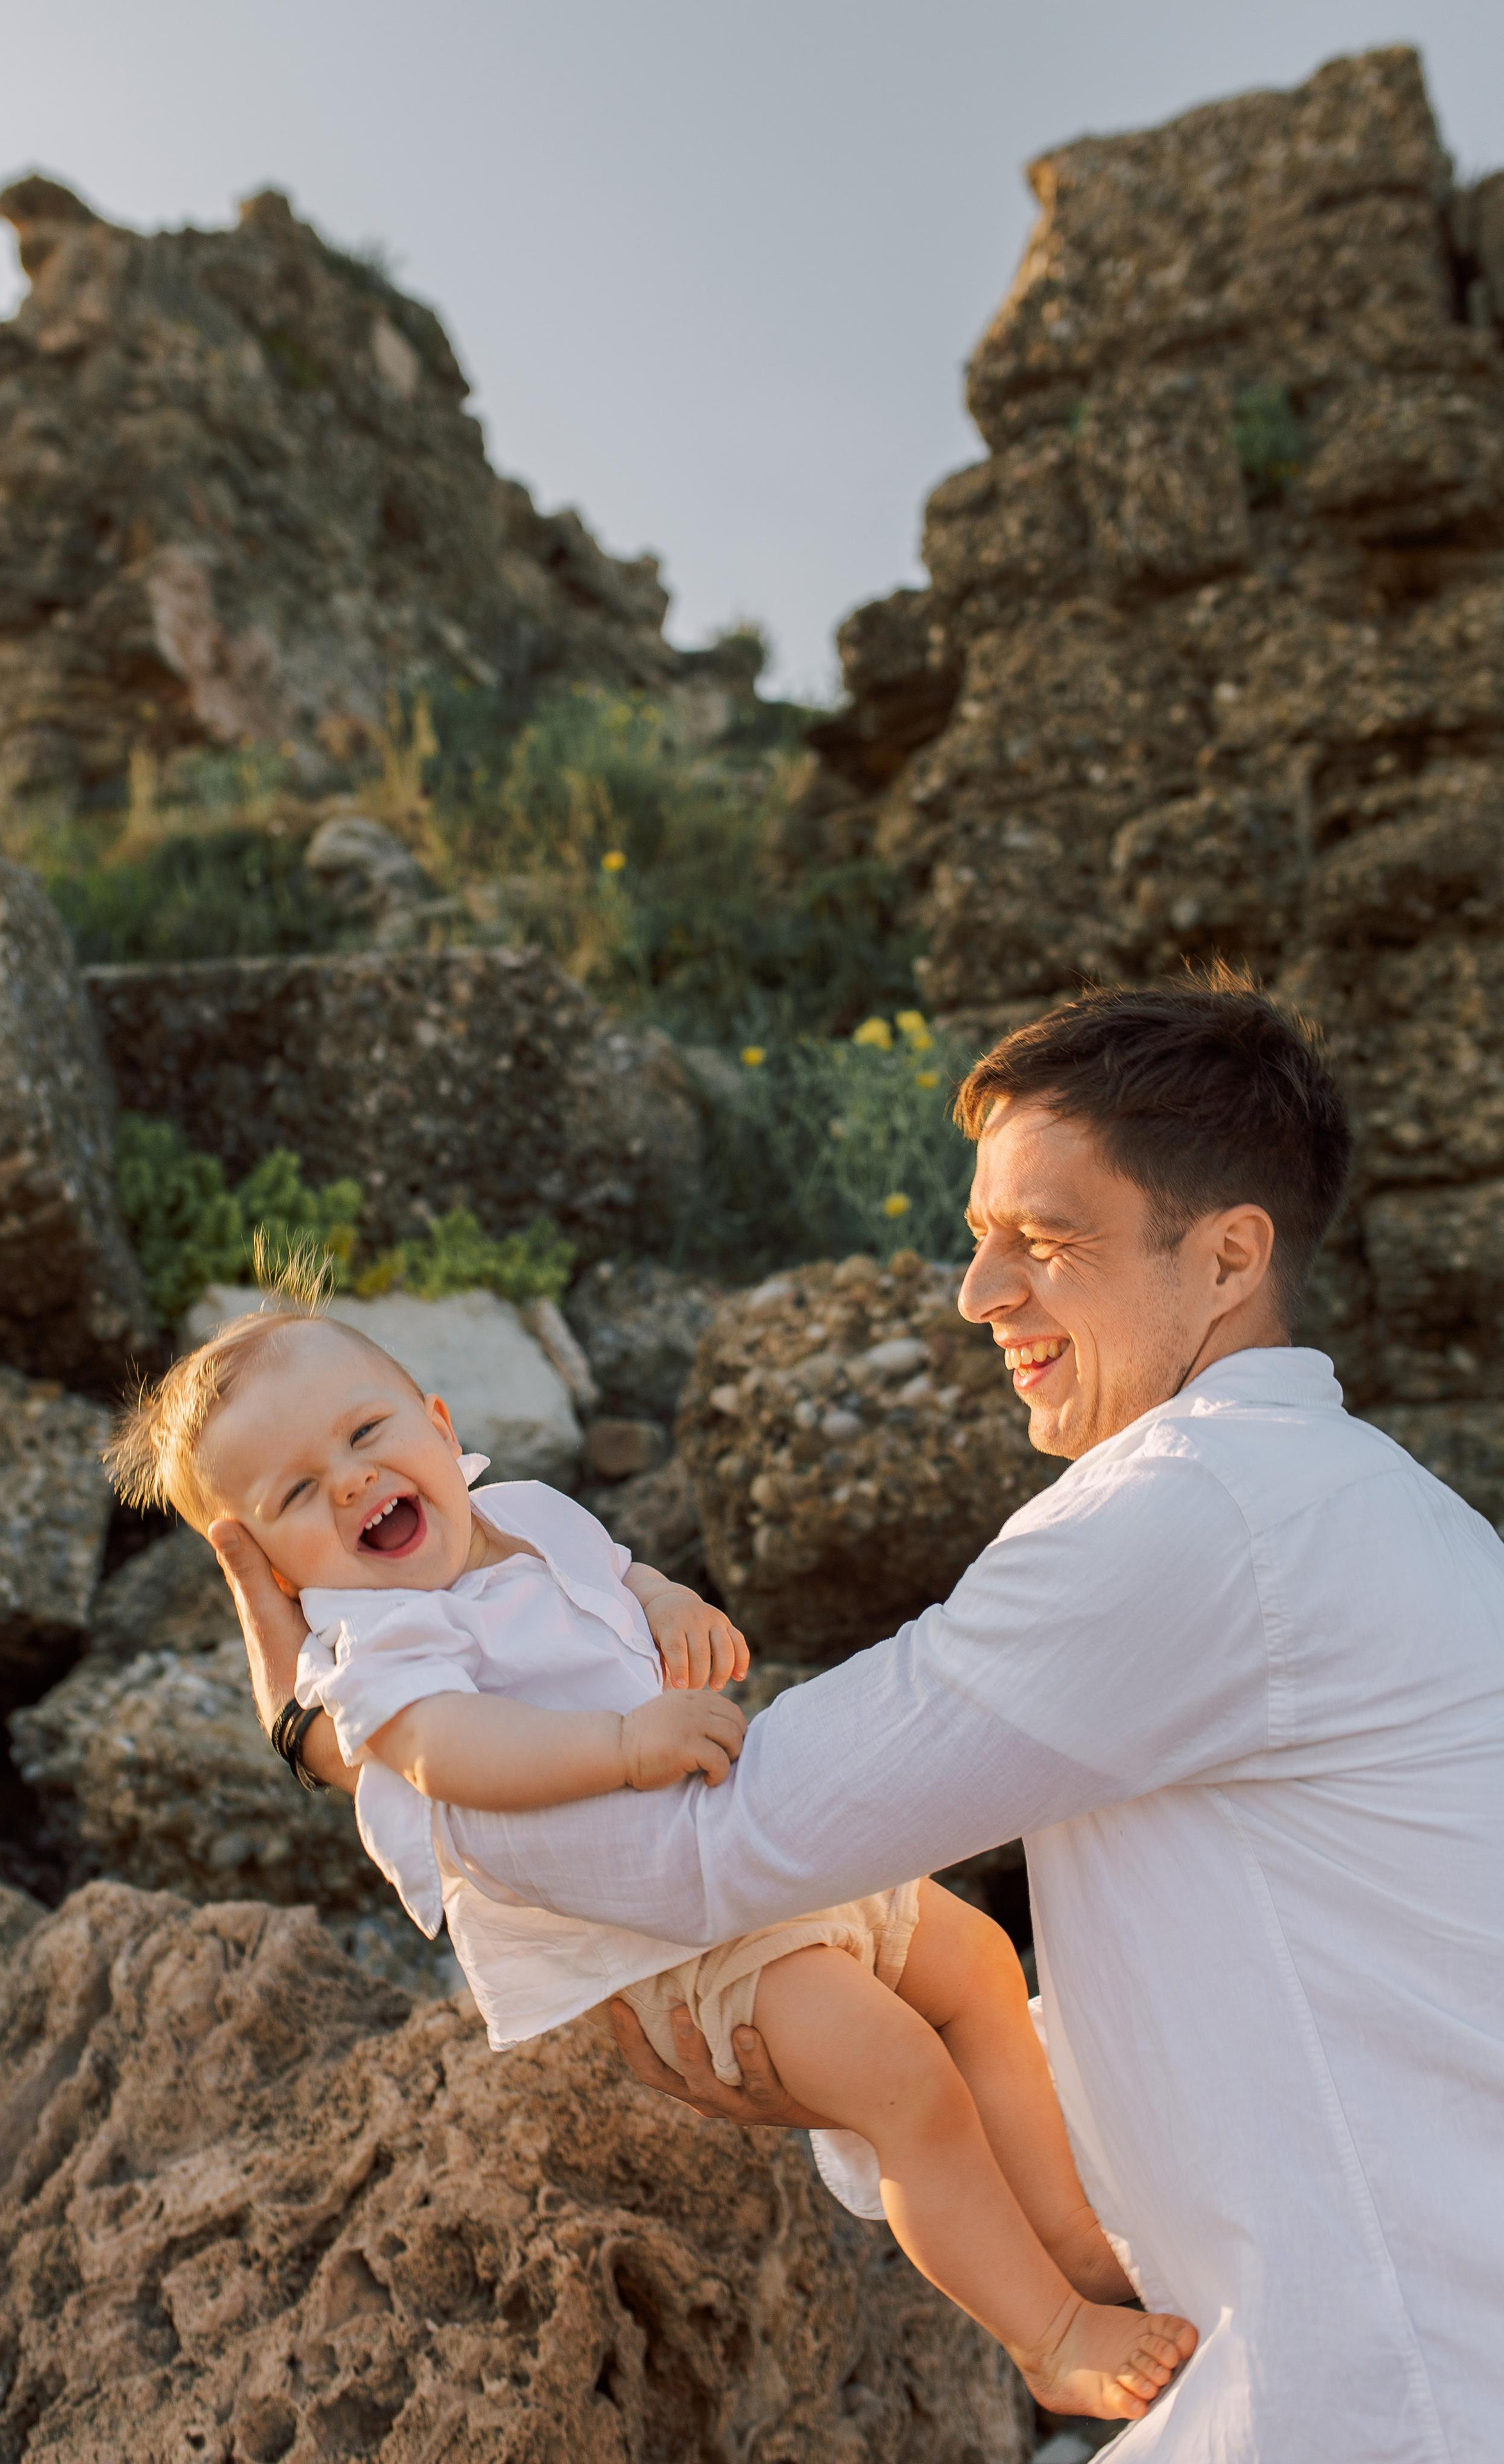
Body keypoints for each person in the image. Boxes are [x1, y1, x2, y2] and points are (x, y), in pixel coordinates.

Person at [217, 975, 1504, 2461]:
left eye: (1046, 1242)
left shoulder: (1190, 1520)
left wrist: (342, 1736)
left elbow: (726, 1849)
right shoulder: (1377, 1510)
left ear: (1225, 1259)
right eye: (978, 1239)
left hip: (1384, 2396)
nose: (976, 1296)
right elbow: (1278, 2019)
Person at [108, 1298, 1197, 2424]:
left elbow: (622, 1577)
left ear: (439, 1425)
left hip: (761, 1838)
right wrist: (623, 1746)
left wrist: (675, 1609)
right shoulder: (379, 1640)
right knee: (899, 2080)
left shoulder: (528, 1511)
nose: (347, 1480)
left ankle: (1069, 2234)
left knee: (976, 1967)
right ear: (278, 1578)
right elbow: (446, 1752)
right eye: (294, 1493)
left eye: (365, 1432)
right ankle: (1046, 2334)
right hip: (677, 1932)